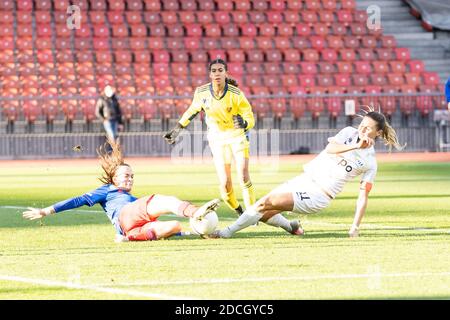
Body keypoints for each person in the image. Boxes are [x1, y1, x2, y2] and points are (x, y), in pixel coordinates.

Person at [211, 107, 405, 239]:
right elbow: (330, 149)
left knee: (263, 203)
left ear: (377, 133)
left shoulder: (370, 162)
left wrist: (355, 226)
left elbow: (363, 197)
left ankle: (225, 233)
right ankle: (291, 226)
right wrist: (354, 145)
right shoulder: (348, 133)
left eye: (368, 128)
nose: (362, 129)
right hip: (304, 180)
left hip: (319, 194)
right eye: (362, 124)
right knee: (262, 212)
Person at [22, 139, 220, 242]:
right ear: (114, 178)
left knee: (174, 226)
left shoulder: (131, 198)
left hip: (130, 229)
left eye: (132, 176)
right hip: (125, 217)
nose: (130, 178)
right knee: (160, 200)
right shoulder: (108, 190)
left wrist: (197, 233)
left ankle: (129, 238)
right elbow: (78, 200)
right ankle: (195, 212)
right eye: (126, 175)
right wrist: (46, 211)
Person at [163, 59, 257, 217]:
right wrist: (177, 129)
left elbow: (250, 117)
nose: (217, 73)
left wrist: (244, 123)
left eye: (220, 70)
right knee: (225, 185)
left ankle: (253, 215)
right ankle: (239, 211)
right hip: (217, 139)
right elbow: (192, 111)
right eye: (214, 71)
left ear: (226, 73)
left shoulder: (236, 94)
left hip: (236, 137)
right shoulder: (201, 93)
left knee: (243, 175)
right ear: (210, 74)